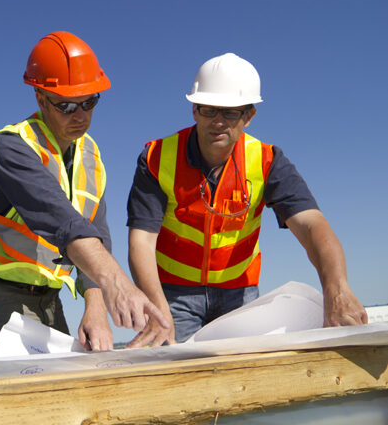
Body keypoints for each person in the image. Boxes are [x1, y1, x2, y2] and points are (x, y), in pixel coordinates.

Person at [126, 52, 368, 347]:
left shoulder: (268, 161)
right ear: (194, 110)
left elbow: (311, 225)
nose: (218, 121)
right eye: (208, 109)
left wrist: (337, 290)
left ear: (248, 116)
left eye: (229, 112)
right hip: (172, 294)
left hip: (239, 293)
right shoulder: (156, 158)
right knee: (171, 373)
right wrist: (157, 308)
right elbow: (141, 241)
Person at [0, 31, 167, 363]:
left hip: (48, 298)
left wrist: (95, 305)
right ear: (41, 99)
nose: (79, 115)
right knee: (8, 406)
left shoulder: (90, 156)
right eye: (66, 105)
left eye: (89, 102)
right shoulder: (11, 148)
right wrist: (117, 283)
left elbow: (95, 232)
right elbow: (64, 223)